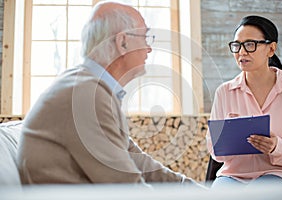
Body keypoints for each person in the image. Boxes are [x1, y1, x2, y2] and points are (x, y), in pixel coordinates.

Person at [17, 2, 204, 188]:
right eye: (145, 37)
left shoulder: (91, 87)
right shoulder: (86, 95)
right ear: (123, 42)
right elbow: (127, 188)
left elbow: (139, 163)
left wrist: (196, 191)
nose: (149, 48)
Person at [206, 15, 282, 187]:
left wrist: (276, 146)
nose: (242, 52)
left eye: (250, 44)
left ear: (271, 49)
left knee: (260, 192)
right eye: (237, 45)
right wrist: (226, 143)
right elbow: (214, 149)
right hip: (233, 176)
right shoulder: (224, 92)